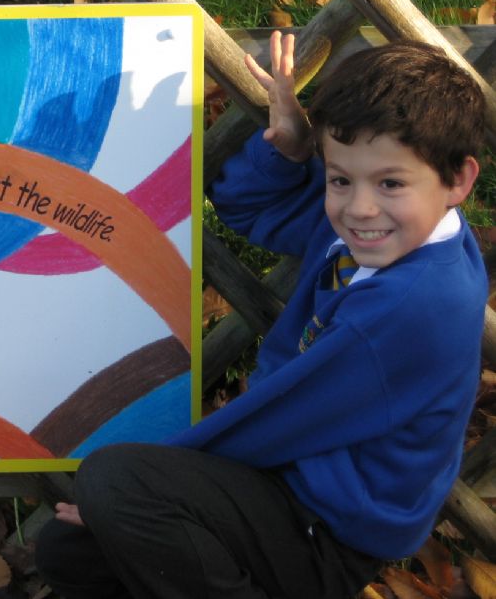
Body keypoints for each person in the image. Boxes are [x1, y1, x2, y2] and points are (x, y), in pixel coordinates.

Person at [34, 32, 489, 599]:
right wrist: (291, 151)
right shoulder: (391, 233)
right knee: (69, 551)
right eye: (341, 178)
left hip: (333, 531)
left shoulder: (413, 305)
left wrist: (141, 483)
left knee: (115, 484)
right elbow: (248, 207)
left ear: (459, 180)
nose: (359, 206)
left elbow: (279, 417)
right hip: (294, 479)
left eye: (390, 183)